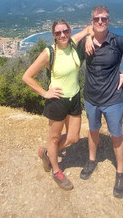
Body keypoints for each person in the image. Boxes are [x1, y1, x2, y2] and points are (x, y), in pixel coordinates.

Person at [78, 5, 123, 198]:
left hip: (113, 99)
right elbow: (70, 55)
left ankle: (120, 172)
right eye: (97, 19)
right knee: (93, 130)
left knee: (116, 135)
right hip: (91, 97)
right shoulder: (85, 43)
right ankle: (91, 161)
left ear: (108, 21)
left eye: (104, 19)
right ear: (91, 21)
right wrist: (87, 36)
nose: (100, 22)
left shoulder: (117, 41)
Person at [22, 20, 93, 190]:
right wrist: (45, 93)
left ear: (70, 31)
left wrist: (89, 37)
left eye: (65, 31)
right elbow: (27, 76)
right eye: (58, 33)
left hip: (74, 98)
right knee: (54, 138)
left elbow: (90, 28)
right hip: (57, 101)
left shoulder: (74, 43)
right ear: (53, 35)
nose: (63, 35)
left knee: (73, 137)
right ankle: (56, 170)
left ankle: (47, 152)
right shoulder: (49, 52)